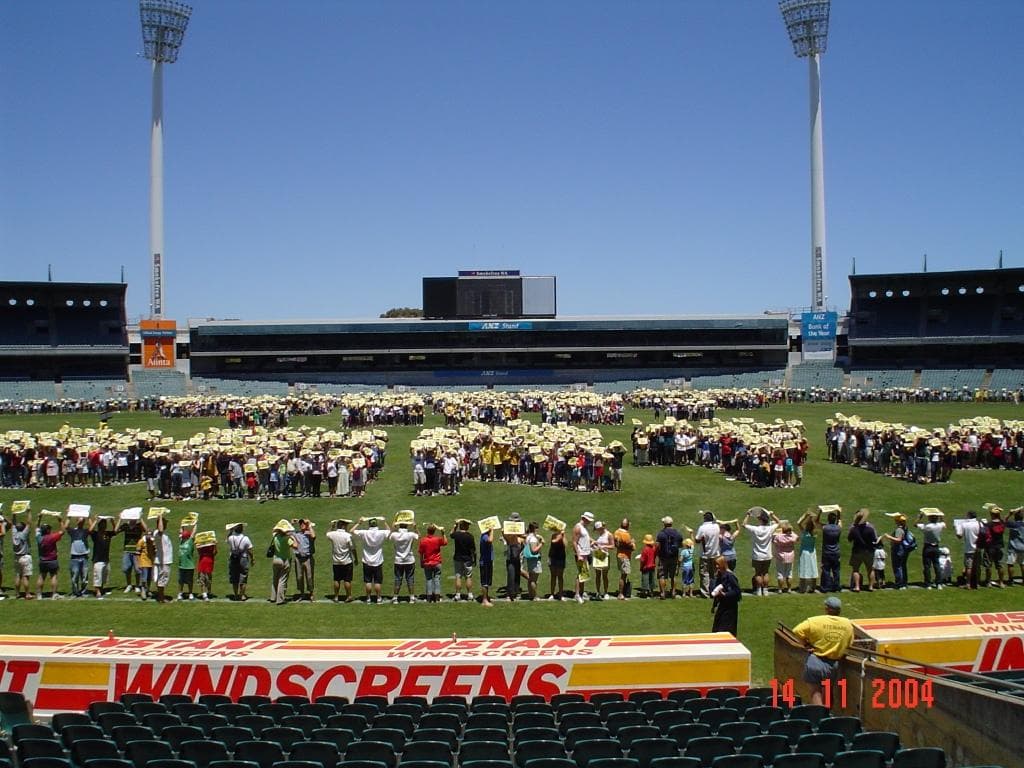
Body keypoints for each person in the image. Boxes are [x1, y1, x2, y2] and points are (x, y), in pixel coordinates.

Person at [792, 596, 856, 707]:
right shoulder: (847, 624)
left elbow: (797, 630)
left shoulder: (815, 621)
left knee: (815, 692)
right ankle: (827, 717)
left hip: (816, 661)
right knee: (828, 691)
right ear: (839, 610)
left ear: (827, 608)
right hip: (833, 664)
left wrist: (806, 644)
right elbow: (850, 643)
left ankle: (819, 718)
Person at [352, 517, 389, 604]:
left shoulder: (364, 532)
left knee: (368, 581)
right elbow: (389, 531)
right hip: (378, 561)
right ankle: (379, 598)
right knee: (377, 581)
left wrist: (359, 523)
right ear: (376, 524)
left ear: (369, 524)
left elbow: (352, 530)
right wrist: (384, 522)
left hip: (367, 560)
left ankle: (368, 598)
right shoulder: (381, 532)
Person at [744, 507, 778, 596]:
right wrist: (772, 514)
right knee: (766, 572)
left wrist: (748, 515)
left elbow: (744, 524)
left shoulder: (755, 529)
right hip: (767, 554)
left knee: (758, 573)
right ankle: (765, 590)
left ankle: (759, 590)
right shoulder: (770, 529)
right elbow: (779, 523)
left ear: (760, 520)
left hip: (757, 555)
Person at [37, 516, 68, 599]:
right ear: (47, 530)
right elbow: (63, 531)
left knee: (41, 577)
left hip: (42, 560)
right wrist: (60, 521)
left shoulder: (39, 538)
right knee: (53, 577)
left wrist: (39, 519)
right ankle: (54, 594)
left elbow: (36, 528)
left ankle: (39, 595)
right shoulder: (52, 537)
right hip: (52, 560)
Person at [390, 518, 420, 603]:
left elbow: (389, 535)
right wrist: (415, 527)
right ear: (407, 525)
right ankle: (412, 598)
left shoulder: (395, 534)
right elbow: (419, 536)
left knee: (397, 579)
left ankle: (395, 598)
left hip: (398, 560)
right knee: (410, 579)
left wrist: (393, 527)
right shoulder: (411, 534)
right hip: (409, 560)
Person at [710, 556, 742, 637]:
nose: (716, 566)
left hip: (730, 608)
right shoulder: (720, 575)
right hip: (722, 606)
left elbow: (737, 592)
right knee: (717, 629)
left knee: (726, 630)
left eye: (718, 564)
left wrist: (725, 594)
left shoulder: (730, 576)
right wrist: (714, 605)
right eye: (715, 565)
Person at [847, 508, 877, 592]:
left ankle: (857, 586)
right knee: (870, 569)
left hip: (857, 551)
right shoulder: (870, 529)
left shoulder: (854, 529)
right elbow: (874, 540)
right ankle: (871, 586)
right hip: (869, 551)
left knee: (855, 569)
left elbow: (849, 539)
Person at [326, 518, 356, 602]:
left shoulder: (333, 534)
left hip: (336, 561)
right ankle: (349, 596)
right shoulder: (347, 536)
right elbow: (353, 548)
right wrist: (356, 558)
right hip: (347, 561)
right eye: (346, 525)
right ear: (343, 526)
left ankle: (336, 597)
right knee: (347, 580)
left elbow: (327, 534)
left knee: (336, 579)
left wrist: (332, 526)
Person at [916, 509, 946, 589]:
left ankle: (928, 583)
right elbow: (944, 524)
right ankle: (939, 583)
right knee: (937, 565)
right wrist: (941, 516)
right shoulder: (939, 525)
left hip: (927, 547)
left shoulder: (927, 526)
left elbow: (915, 524)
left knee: (927, 566)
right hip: (936, 547)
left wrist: (920, 517)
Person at [269, 519, 297, 605]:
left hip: (276, 559)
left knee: (275, 578)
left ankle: (273, 597)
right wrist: (293, 538)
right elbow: (295, 546)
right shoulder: (287, 539)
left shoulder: (275, 536)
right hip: (285, 560)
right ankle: (280, 599)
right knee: (282, 580)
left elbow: (274, 531)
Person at [880, 514, 911, 590]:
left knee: (897, 567)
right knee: (902, 566)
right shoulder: (905, 528)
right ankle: (904, 582)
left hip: (898, 550)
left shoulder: (899, 530)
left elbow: (898, 540)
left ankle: (899, 584)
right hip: (902, 549)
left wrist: (888, 537)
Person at [695, 511, 722, 598]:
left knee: (704, 574)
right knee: (714, 573)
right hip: (715, 554)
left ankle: (705, 593)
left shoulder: (702, 528)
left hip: (705, 554)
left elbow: (697, 539)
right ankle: (713, 591)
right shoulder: (716, 526)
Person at [419, 523, 447, 602]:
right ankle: (437, 598)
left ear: (427, 531)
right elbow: (445, 542)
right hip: (437, 562)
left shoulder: (423, 540)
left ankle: (429, 598)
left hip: (427, 563)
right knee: (437, 579)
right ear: (434, 531)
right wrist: (443, 533)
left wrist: (421, 562)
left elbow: (421, 553)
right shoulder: (437, 539)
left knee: (429, 579)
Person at [655, 516, 682, 599]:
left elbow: (657, 546)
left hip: (663, 558)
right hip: (674, 557)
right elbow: (680, 545)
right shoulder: (677, 534)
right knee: (673, 576)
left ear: (664, 524)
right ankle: (673, 592)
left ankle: (663, 593)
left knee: (662, 576)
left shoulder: (661, 534)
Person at [90, 517, 116, 599]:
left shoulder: (108, 534)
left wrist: (112, 521)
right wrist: (95, 520)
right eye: (102, 524)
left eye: (105, 524)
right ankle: (97, 592)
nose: (104, 526)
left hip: (106, 559)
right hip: (98, 559)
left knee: (104, 576)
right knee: (97, 576)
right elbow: (90, 530)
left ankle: (101, 589)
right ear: (99, 525)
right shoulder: (96, 534)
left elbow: (115, 531)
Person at [450, 519, 476, 602]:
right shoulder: (470, 536)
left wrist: (455, 525)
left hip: (457, 558)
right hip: (467, 559)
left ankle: (458, 595)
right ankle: (470, 594)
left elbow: (451, 534)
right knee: (468, 577)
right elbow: (473, 550)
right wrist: (474, 559)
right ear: (465, 526)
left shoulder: (457, 535)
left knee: (458, 576)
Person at [117, 516, 144, 594]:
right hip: (127, 551)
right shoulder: (126, 525)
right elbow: (116, 531)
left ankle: (137, 585)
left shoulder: (139, 525)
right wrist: (120, 518)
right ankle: (129, 584)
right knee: (126, 569)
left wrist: (141, 518)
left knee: (138, 570)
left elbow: (146, 529)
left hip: (137, 551)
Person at [227, 523, 253, 601]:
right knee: (243, 576)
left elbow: (227, 538)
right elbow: (250, 550)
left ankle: (235, 595)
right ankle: (242, 595)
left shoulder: (231, 538)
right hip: (243, 558)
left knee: (234, 577)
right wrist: (252, 558)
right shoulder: (246, 538)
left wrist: (230, 530)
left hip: (233, 558)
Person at [12, 511, 34, 599]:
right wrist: (29, 512)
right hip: (25, 556)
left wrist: (14, 513)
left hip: (16, 557)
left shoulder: (14, 534)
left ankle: (17, 593)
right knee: (25, 577)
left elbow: (13, 523)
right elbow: (29, 522)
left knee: (18, 575)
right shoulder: (24, 534)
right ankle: (27, 594)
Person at [152, 514, 174, 603]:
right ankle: (161, 598)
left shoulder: (162, 534)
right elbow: (160, 529)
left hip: (162, 560)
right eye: (164, 523)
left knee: (160, 580)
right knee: (162, 579)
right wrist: (160, 517)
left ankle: (160, 596)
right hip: (163, 560)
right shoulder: (158, 533)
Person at [956, 510, 982, 589]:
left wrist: (957, 527)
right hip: (978, 548)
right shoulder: (979, 524)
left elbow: (959, 536)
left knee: (968, 567)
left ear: (968, 516)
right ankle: (977, 583)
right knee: (977, 567)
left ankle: (968, 584)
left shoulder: (964, 525)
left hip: (968, 549)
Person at [573, 511, 594, 604]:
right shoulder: (578, 527)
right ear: (584, 518)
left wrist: (593, 542)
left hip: (586, 553)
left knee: (584, 574)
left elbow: (586, 539)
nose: (590, 522)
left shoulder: (584, 528)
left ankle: (581, 593)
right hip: (581, 554)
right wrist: (578, 555)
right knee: (581, 574)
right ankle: (577, 594)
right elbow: (574, 542)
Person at [292, 519, 316, 601]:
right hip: (298, 558)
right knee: (299, 577)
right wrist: (292, 523)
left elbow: (313, 536)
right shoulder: (296, 533)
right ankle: (302, 594)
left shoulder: (309, 533)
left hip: (308, 558)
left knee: (309, 577)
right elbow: (287, 531)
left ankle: (311, 593)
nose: (302, 525)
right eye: (301, 523)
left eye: (303, 523)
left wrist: (309, 525)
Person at [67, 515, 91, 598]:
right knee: (75, 576)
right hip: (75, 557)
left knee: (85, 576)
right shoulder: (73, 531)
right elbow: (66, 526)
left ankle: (83, 591)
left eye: (83, 522)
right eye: (80, 521)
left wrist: (89, 518)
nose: (81, 523)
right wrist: (69, 517)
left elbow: (91, 528)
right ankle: (75, 591)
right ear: (76, 521)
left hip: (84, 556)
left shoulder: (85, 531)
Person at [819, 507, 842, 593]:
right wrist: (839, 512)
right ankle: (836, 586)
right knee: (836, 570)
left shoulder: (825, 528)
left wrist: (819, 513)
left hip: (826, 552)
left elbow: (816, 522)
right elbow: (840, 521)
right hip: (836, 552)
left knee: (826, 570)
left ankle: (826, 587)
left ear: (828, 520)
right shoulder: (838, 528)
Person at [795, 513, 819, 594]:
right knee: (813, 569)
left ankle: (802, 588)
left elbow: (799, 523)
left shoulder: (805, 533)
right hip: (812, 553)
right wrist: (811, 519)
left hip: (804, 553)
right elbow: (815, 524)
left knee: (803, 569)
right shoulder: (814, 533)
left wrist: (805, 516)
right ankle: (813, 587)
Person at [504, 513, 525, 602]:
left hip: (518, 552)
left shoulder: (521, 528)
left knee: (517, 573)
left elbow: (524, 538)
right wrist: (515, 533)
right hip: (511, 552)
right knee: (511, 573)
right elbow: (508, 538)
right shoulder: (506, 529)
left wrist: (519, 534)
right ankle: (510, 594)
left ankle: (516, 591)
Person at [773, 520, 799, 593]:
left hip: (780, 557)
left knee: (780, 573)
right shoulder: (792, 537)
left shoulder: (778, 537)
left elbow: (774, 542)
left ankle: (780, 589)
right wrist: (791, 532)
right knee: (789, 573)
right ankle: (789, 589)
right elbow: (797, 538)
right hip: (790, 557)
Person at [613, 518, 635, 600]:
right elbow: (631, 547)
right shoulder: (626, 535)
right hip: (625, 556)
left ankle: (622, 592)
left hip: (619, 554)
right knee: (624, 575)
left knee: (623, 574)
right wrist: (632, 542)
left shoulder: (616, 532)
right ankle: (621, 594)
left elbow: (616, 544)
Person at [592, 521, 613, 599]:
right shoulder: (600, 535)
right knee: (597, 575)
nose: (597, 531)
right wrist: (594, 544)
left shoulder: (609, 534)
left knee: (604, 575)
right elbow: (598, 543)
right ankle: (598, 592)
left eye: (598, 529)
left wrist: (604, 547)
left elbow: (612, 546)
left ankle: (606, 592)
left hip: (605, 556)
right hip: (598, 555)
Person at [523, 522, 543, 600]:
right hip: (534, 560)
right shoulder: (533, 539)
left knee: (531, 578)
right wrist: (541, 544)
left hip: (530, 560)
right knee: (534, 579)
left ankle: (531, 595)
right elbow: (534, 550)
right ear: (535, 529)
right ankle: (534, 596)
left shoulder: (528, 537)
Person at [177, 522, 197, 600]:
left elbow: (194, 532)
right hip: (181, 565)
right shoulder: (181, 541)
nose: (182, 537)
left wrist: (195, 523)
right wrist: (182, 524)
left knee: (190, 581)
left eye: (184, 536)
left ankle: (190, 593)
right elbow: (181, 531)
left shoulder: (190, 541)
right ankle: (180, 593)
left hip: (189, 565)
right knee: (181, 581)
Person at [196, 531, 217, 601]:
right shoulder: (212, 545)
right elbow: (215, 553)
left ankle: (205, 594)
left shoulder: (201, 546)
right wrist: (215, 545)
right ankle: (208, 593)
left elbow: (199, 553)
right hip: (209, 562)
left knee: (203, 579)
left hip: (202, 562)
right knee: (208, 578)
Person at [547, 527, 566, 600]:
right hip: (553, 557)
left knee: (560, 576)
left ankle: (560, 594)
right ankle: (552, 594)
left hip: (561, 557)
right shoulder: (553, 535)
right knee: (553, 576)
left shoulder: (563, 536)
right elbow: (554, 541)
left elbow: (565, 545)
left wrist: (563, 536)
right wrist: (560, 536)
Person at [1007, 507, 1024, 586]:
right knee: (1022, 564)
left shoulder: (1013, 524)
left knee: (1010, 564)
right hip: (1023, 547)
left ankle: (1011, 581)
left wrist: (1009, 514)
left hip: (1013, 548)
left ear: (1015, 517)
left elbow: (1004, 521)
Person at [479, 524, 495, 607]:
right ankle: (484, 600)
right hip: (485, 562)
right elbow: (490, 540)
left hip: (488, 561)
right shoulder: (485, 536)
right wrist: (491, 531)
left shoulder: (484, 535)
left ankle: (486, 597)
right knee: (485, 582)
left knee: (487, 581)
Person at [639, 533, 657, 598]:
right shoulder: (654, 548)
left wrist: (641, 566)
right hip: (652, 566)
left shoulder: (645, 549)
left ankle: (644, 593)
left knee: (645, 580)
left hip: (646, 567)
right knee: (651, 579)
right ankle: (651, 592)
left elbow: (642, 560)